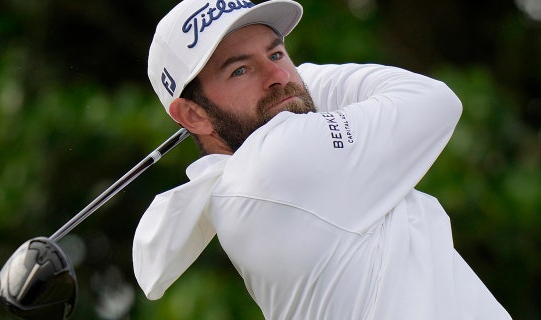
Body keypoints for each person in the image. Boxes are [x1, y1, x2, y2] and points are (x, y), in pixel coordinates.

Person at [133, 0, 512, 319]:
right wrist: (300, 81)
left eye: (276, 53)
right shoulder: (278, 162)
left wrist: (279, 84)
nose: (277, 75)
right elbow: (434, 101)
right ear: (194, 116)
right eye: (240, 69)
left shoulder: (238, 186)